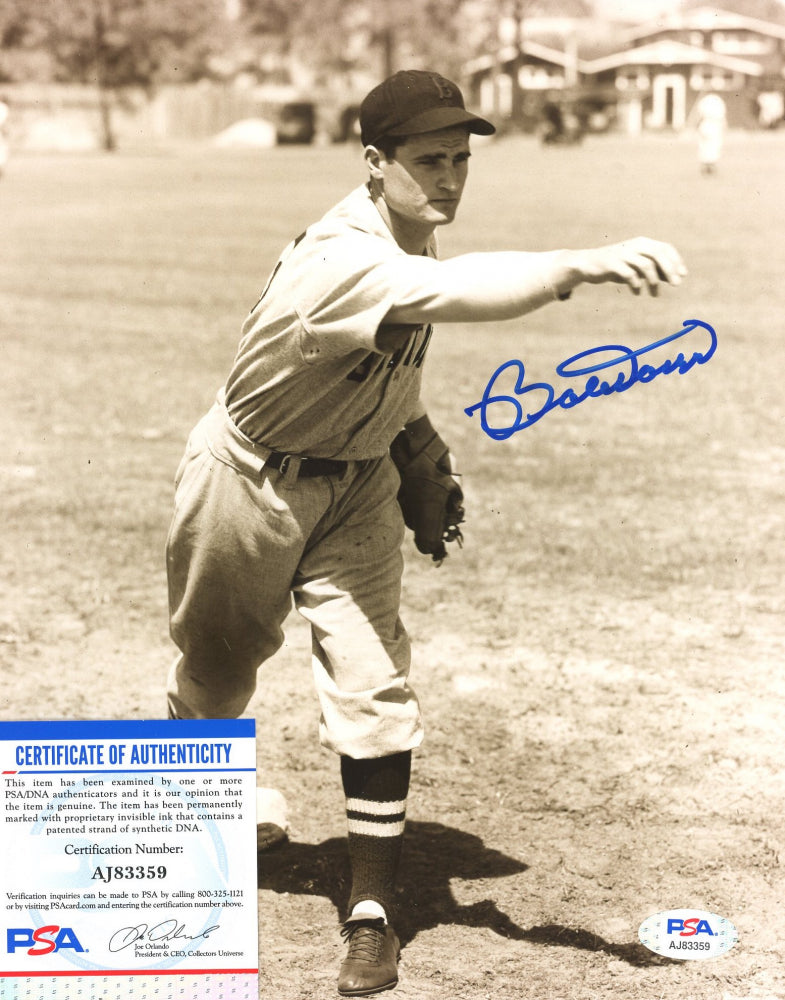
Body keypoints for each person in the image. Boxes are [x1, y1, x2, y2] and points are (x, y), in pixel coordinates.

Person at [165, 69, 686, 996]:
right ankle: (194, 818)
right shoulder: (339, 255)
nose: (448, 178)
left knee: (375, 684)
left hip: (355, 486)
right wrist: (574, 264)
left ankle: (372, 912)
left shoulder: (413, 237)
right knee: (217, 672)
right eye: (426, 161)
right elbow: (464, 295)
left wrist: (418, 455)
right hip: (248, 477)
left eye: (459, 159)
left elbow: (392, 369)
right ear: (374, 164)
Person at [693, 92, 727, 175]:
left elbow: (699, 116)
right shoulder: (719, 102)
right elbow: (723, 117)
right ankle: (710, 166)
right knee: (713, 145)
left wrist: (697, 125)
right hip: (715, 125)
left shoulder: (705, 101)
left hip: (706, 125)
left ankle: (707, 166)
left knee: (705, 145)